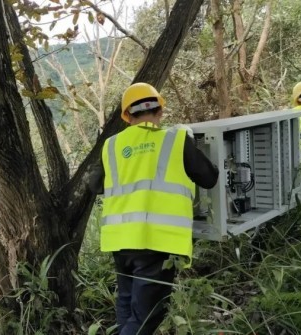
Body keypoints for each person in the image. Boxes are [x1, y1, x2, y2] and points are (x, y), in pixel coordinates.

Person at [89, 83, 219, 335]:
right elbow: (209, 178)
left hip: (120, 241)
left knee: (127, 305)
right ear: (160, 111)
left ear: (127, 116)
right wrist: (189, 142)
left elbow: (95, 185)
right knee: (148, 315)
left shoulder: (112, 145)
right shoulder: (176, 139)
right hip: (156, 240)